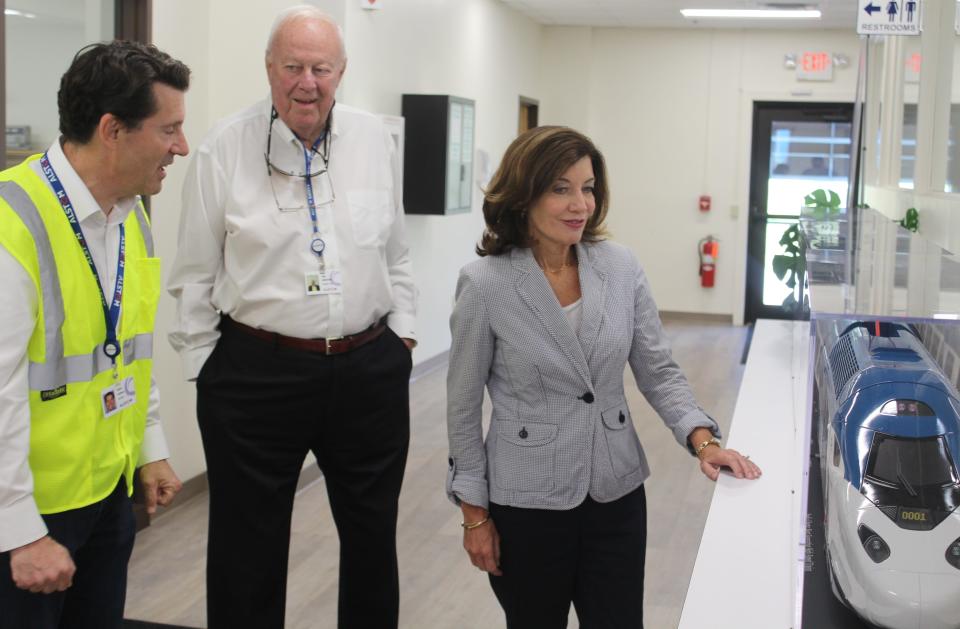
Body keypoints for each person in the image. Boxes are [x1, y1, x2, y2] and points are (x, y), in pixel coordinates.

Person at [445, 126, 761, 628]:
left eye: (588, 187)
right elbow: (462, 410)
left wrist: (703, 440)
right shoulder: (486, 285)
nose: (580, 204)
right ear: (523, 195)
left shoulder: (620, 267)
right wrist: (475, 515)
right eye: (560, 188)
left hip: (615, 495)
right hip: (526, 503)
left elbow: (657, 368)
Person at [167, 6, 416, 628]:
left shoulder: (372, 139)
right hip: (255, 373)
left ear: (342, 71)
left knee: (372, 539)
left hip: (366, 368)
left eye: (321, 68)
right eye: (294, 68)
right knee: (245, 549)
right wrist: (208, 369)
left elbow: (396, 252)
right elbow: (194, 274)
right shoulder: (224, 146)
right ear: (270, 70)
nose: (308, 82)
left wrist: (403, 339)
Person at [0, 41, 189, 629]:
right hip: (29, 515)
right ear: (112, 129)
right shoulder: (13, 223)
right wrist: (19, 528)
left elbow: (131, 349)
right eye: (169, 129)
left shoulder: (130, 215)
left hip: (107, 492)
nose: (180, 147)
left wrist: (151, 446)